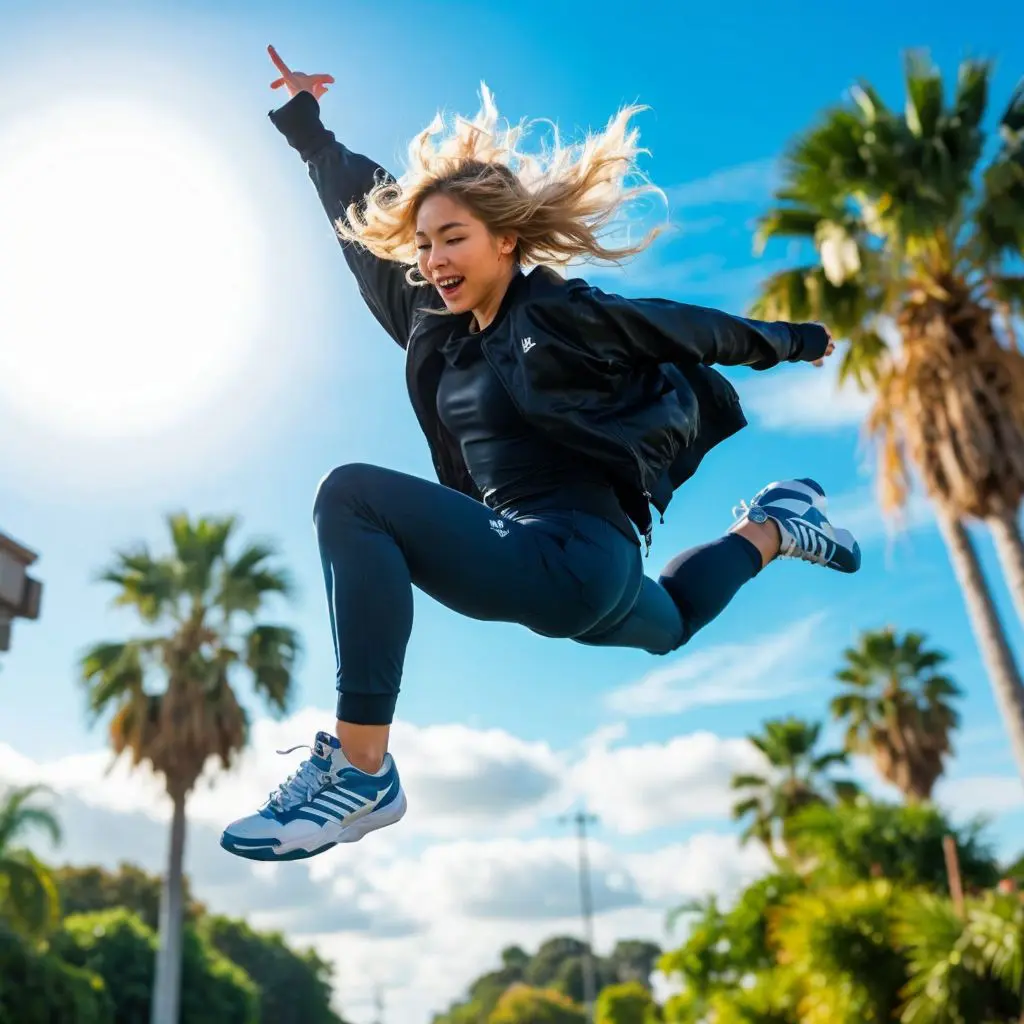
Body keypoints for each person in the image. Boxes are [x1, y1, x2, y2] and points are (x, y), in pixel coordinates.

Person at [219, 46, 862, 862]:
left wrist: (791, 341)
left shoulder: (558, 312)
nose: (433, 261)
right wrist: (310, 132)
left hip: (571, 555)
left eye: (453, 239)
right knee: (676, 624)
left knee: (352, 496)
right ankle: (776, 526)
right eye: (424, 245)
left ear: (508, 241)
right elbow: (360, 218)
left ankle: (361, 767)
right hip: (586, 576)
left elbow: (681, 326)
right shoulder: (434, 327)